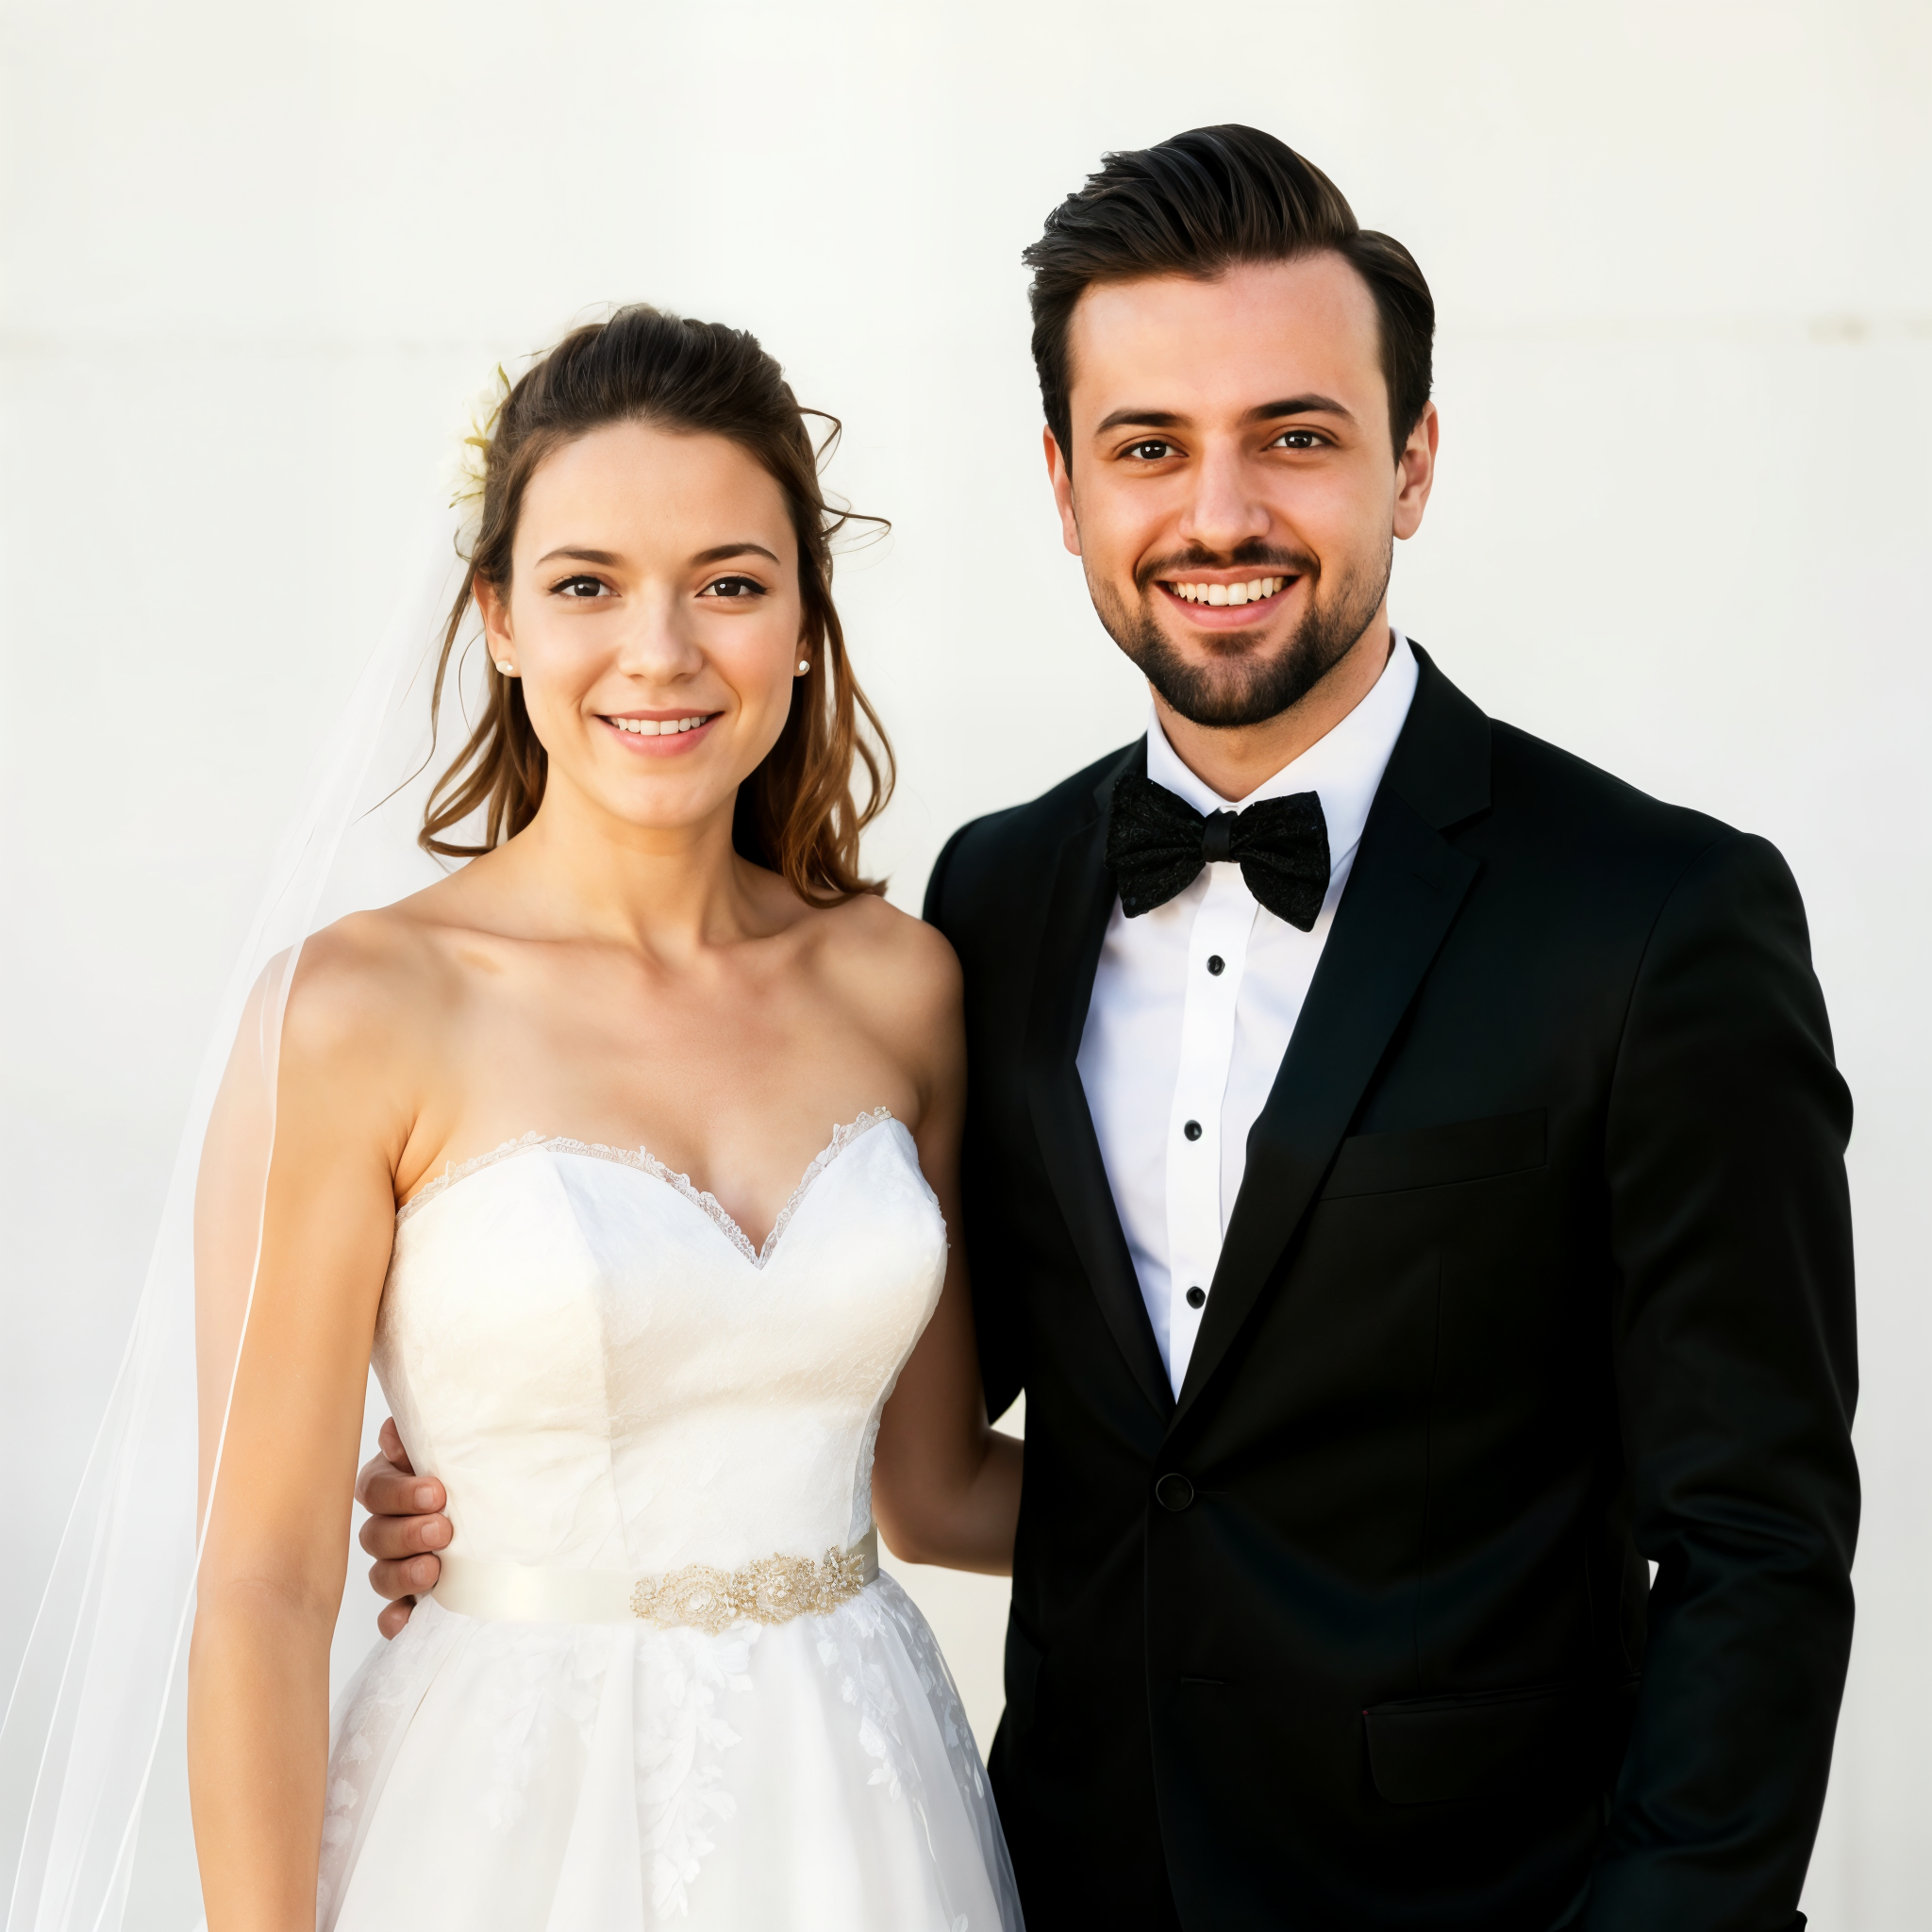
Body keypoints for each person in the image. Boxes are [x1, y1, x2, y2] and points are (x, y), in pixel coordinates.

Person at [363, 128, 1858, 1928]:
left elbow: (1760, 1544)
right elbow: (905, 1411)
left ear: (1416, 465)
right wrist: (531, 1478)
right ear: (1067, 486)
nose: (1219, 512)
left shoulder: (1657, 919)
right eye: (1151, 447)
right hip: (1045, 1880)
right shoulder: (990, 908)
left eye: (1296, 438)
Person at [187, 306, 1024, 1931]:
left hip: (861, 1812)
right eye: (586, 586)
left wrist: (1331, 1520)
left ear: (801, 621)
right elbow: (264, 1588)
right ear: (498, 617)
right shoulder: (362, 1012)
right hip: (504, 1821)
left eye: (729, 581)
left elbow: (937, 1495)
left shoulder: (900, 988)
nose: (661, 651)